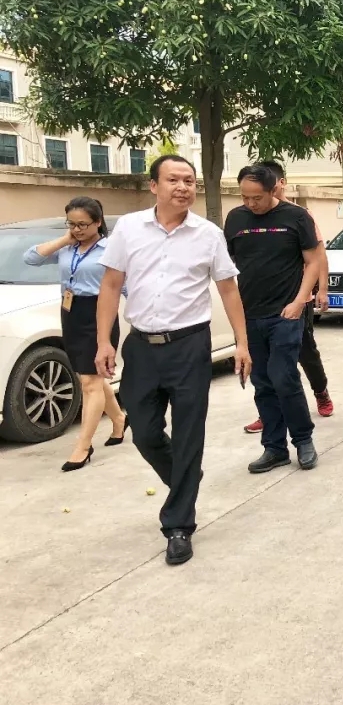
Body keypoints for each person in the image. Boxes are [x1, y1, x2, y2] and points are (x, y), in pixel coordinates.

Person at [95, 155, 251, 566]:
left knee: (188, 437)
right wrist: (104, 341)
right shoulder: (129, 228)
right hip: (141, 346)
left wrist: (242, 343)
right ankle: (185, 477)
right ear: (154, 186)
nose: (182, 187)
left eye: (189, 181)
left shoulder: (208, 234)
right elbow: (110, 285)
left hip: (189, 347)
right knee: (144, 433)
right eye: (173, 180)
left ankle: (178, 525)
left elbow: (229, 289)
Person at [225, 163, 322, 474]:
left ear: (273, 190)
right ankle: (274, 448)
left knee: (284, 377)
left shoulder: (296, 217)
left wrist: (299, 301)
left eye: (257, 198)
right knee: (262, 382)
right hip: (249, 315)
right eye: (245, 197)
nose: (251, 204)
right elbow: (227, 266)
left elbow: (313, 261)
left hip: (285, 313)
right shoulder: (235, 219)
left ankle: (303, 440)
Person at [23, 197, 126, 471]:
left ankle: (83, 446)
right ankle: (119, 419)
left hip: (99, 312)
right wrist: (64, 240)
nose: (77, 229)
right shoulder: (67, 247)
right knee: (89, 376)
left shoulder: (111, 249)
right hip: (70, 312)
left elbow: (125, 284)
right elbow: (30, 258)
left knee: (91, 382)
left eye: (83, 225)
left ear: (98, 223)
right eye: (71, 224)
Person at [242, 160, 334, 434]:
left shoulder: (299, 215)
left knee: (305, 351)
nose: (253, 201)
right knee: (266, 366)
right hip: (260, 306)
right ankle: (270, 413)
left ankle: (320, 391)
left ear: (279, 184)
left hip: (297, 298)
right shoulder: (245, 217)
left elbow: (318, 256)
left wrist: (322, 290)